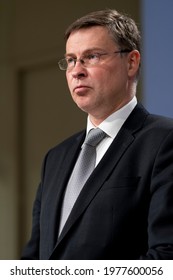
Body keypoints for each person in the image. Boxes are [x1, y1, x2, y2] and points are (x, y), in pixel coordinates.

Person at [21, 9, 173, 260]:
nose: (76, 71)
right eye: (71, 60)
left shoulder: (164, 141)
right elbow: (35, 259)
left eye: (91, 57)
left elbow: (166, 257)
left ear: (131, 62)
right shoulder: (55, 158)